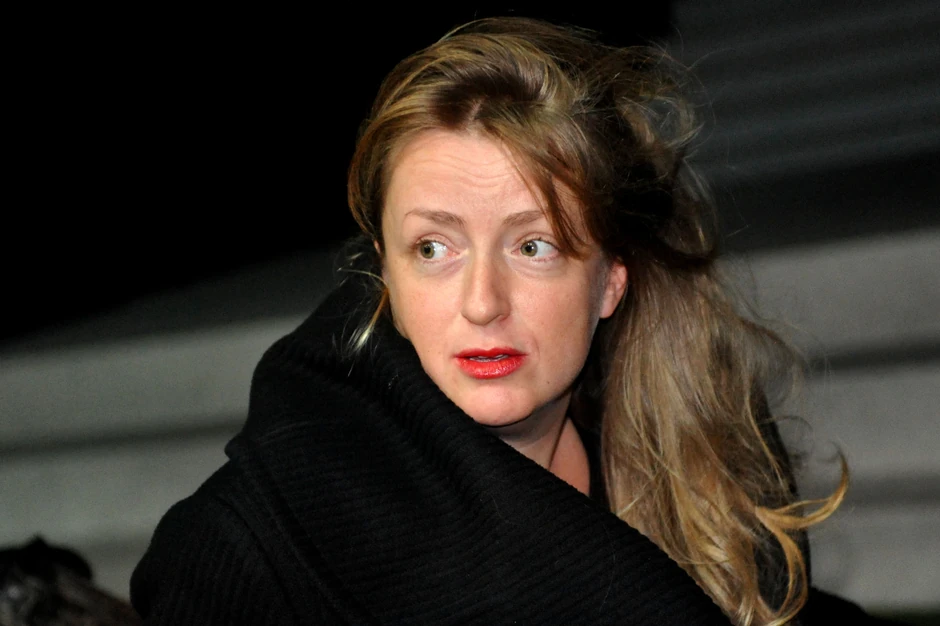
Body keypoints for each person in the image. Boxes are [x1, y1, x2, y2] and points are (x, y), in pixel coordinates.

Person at [129, 16, 881, 625]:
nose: (483, 301)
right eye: (433, 248)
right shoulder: (247, 550)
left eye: (533, 246)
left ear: (610, 281)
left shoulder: (698, 486)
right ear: (386, 276)